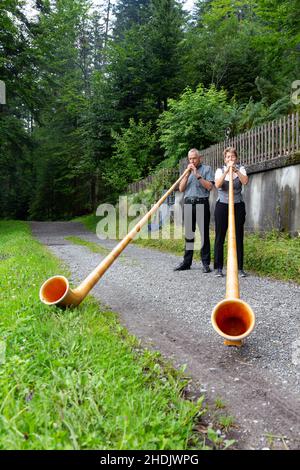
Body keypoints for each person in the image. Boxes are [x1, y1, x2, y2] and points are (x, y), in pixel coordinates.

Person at [174, 148, 214, 273]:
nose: (192, 160)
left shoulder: (207, 169)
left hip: (202, 202)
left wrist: (197, 175)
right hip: (188, 203)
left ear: (199, 158)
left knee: (204, 234)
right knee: (189, 235)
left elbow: (209, 187)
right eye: (190, 159)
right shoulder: (185, 171)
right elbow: (181, 189)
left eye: (194, 158)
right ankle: (187, 262)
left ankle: (205, 263)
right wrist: (187, 175)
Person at [214, 147, 248, 278]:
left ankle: (239, 268)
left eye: (232, 157)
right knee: (220, 237)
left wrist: (236, 171)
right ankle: (218, 268)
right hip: (222, 206)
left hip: (238, 205)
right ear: (225, 159)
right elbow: (217, 185)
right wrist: (227, 172)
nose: (230, 159)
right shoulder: (219, 170)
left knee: (238, 236)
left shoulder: (241, 168)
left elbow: (245, 181)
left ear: (236, 158)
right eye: (228, 157)